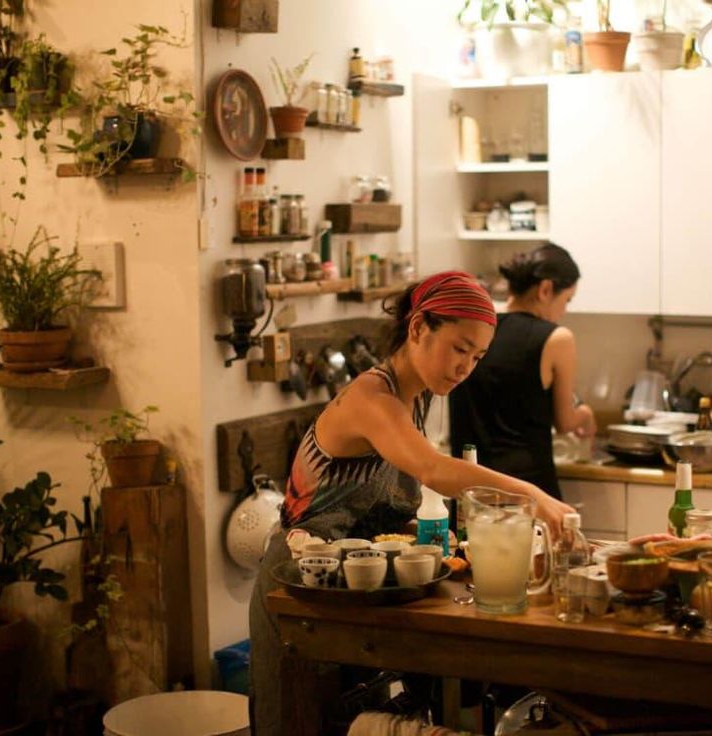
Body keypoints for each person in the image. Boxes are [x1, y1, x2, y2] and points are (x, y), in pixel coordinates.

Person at [249, 271, 575, 735]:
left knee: (355, 719)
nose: (466, 367)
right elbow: (436, 471)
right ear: (419, 327)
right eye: (460, 349)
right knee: (301, 723)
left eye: (477, 357)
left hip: (356, 590)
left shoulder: (413, 397)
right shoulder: (372, 397)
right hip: (301, 591)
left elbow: (384, 510)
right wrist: (535, 496)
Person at [449, 243, 596, 498]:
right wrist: (586, 415)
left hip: (470, 487)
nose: (565, 310)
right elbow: (565, 421)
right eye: (566, 300)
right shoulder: (556, 339)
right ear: (546, 289)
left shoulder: (475, 327)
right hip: (527, 492)